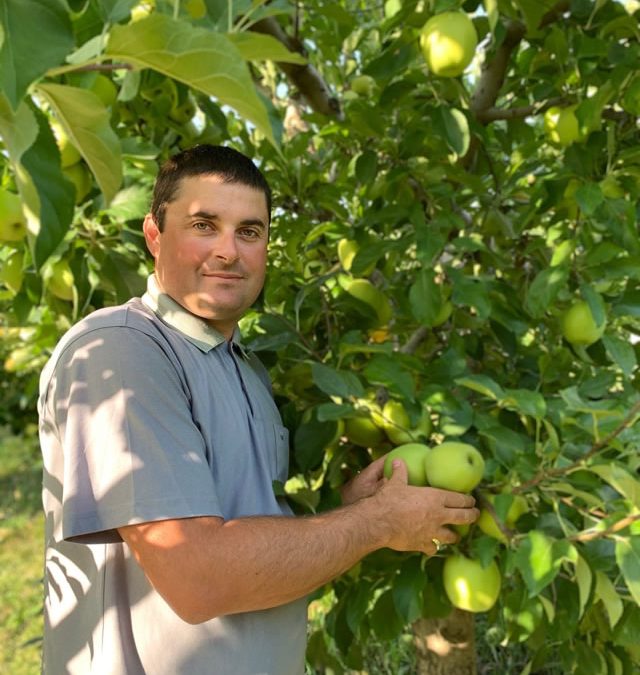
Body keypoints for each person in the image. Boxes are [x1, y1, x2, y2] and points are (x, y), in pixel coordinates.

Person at [38, 144, 479, 674]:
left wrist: (348, 510)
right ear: (154, 235)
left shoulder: (244, 367)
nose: (228, 251)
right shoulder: (120, 351)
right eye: (204, 224)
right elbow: (198, 576)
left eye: (249, 231)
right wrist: (375, 523)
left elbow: (241, 528)